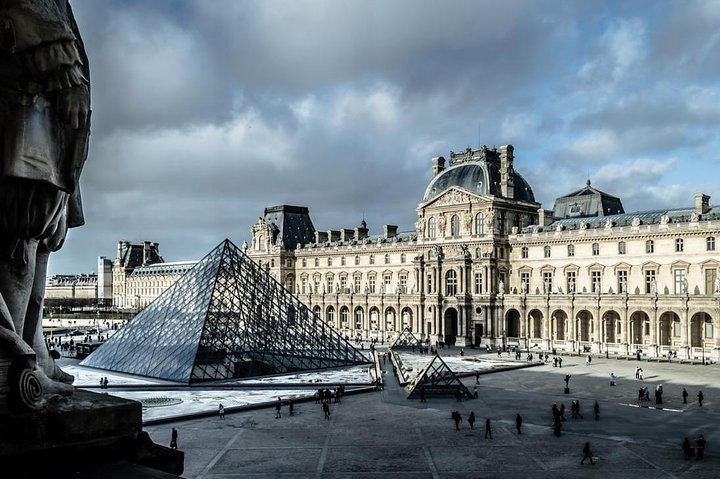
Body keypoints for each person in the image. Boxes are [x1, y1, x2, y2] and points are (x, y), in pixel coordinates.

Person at [0, 0, 91, 403]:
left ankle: (34, 358)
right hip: (30, 113)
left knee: (36, 244)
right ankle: (17, 370)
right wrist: (68, 77)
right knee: (20, 241)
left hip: (42, 118)